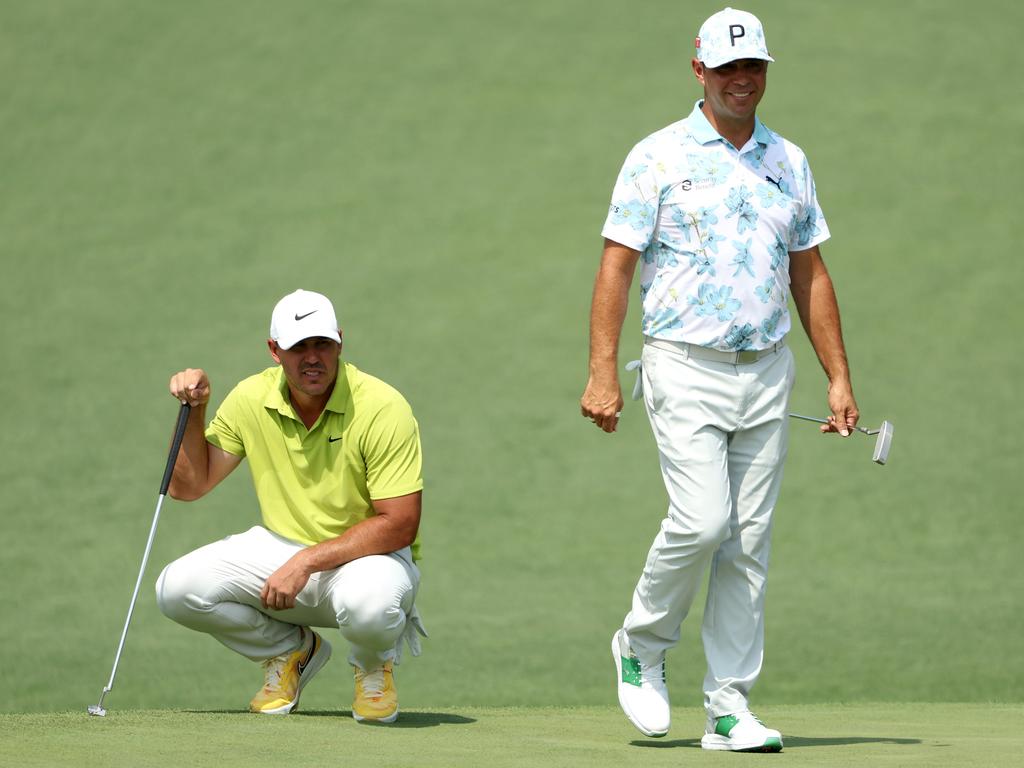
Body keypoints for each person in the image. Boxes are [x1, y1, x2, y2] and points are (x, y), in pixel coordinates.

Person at [580, 7, 858, 752]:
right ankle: (640, 643)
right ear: (699, 70)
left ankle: (728, 707)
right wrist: (602, 372)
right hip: (683, 363)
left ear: (765, 72)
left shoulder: (788, 161)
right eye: (729, 68)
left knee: (747, 544)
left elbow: (810, 272)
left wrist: (839, 377)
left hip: (768, 372)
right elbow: (617, 265)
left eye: (754, 67)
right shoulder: (657, 157)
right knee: (703, 521)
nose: (743, 80)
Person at [157, 288, 426, 723]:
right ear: (274, 351)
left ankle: (373, 667)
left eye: (322, 344)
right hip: (280, 552)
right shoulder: (251, 398)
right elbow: (189, 486)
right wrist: (195, 410)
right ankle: (290, 652)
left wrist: (306, 562)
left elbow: (399, 525)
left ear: (340, 341)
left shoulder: (382, 406)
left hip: (369, 560)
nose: (312, 357)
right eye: (298, 347)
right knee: (176, 589)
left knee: (371, 607)